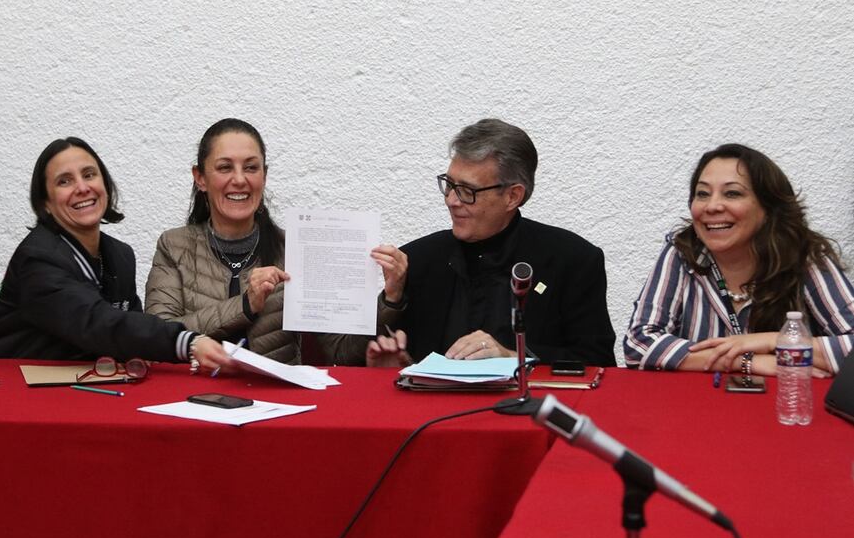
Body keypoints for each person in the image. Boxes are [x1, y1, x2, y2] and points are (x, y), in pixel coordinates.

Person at [0, 137, 234, 372]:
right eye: (64, 181)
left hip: (59, 393)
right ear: (45, 203)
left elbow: (127, 334)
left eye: (89, 175)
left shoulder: (120, 256)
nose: (82, 188)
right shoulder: (38, 259)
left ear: (105, 185)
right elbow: (98, 323)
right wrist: (188, 343)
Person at [356, 118, 617, 367]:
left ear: (512, 196)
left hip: (526, 409)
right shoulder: (419, 259)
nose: (451, 201)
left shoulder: (572, 260)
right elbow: (392, 358)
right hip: (433, 411)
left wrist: (515, 357)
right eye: (449, 185)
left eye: (467, 191)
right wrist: (400, 364)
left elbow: (597, 360)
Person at [624, 144, 854, 376]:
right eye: (702, 193)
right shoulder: (682, 252)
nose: (712, 206)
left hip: (785, 405)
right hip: (697, 405)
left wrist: (776, 342)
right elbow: (639, 344)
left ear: (768, 208)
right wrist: (746, 362)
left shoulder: (804, 256)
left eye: (732, 193)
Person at [145, 118, 313, 363]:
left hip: (276, 395)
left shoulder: (295, 248)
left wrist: (390, 300)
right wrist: (246, 305)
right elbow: (159, 334)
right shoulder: (174, 245)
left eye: (251, 167)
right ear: (200, 178)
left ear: (264, 176)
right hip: (195, 395)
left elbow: (341, 352)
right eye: (225, 168)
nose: (239, 179)